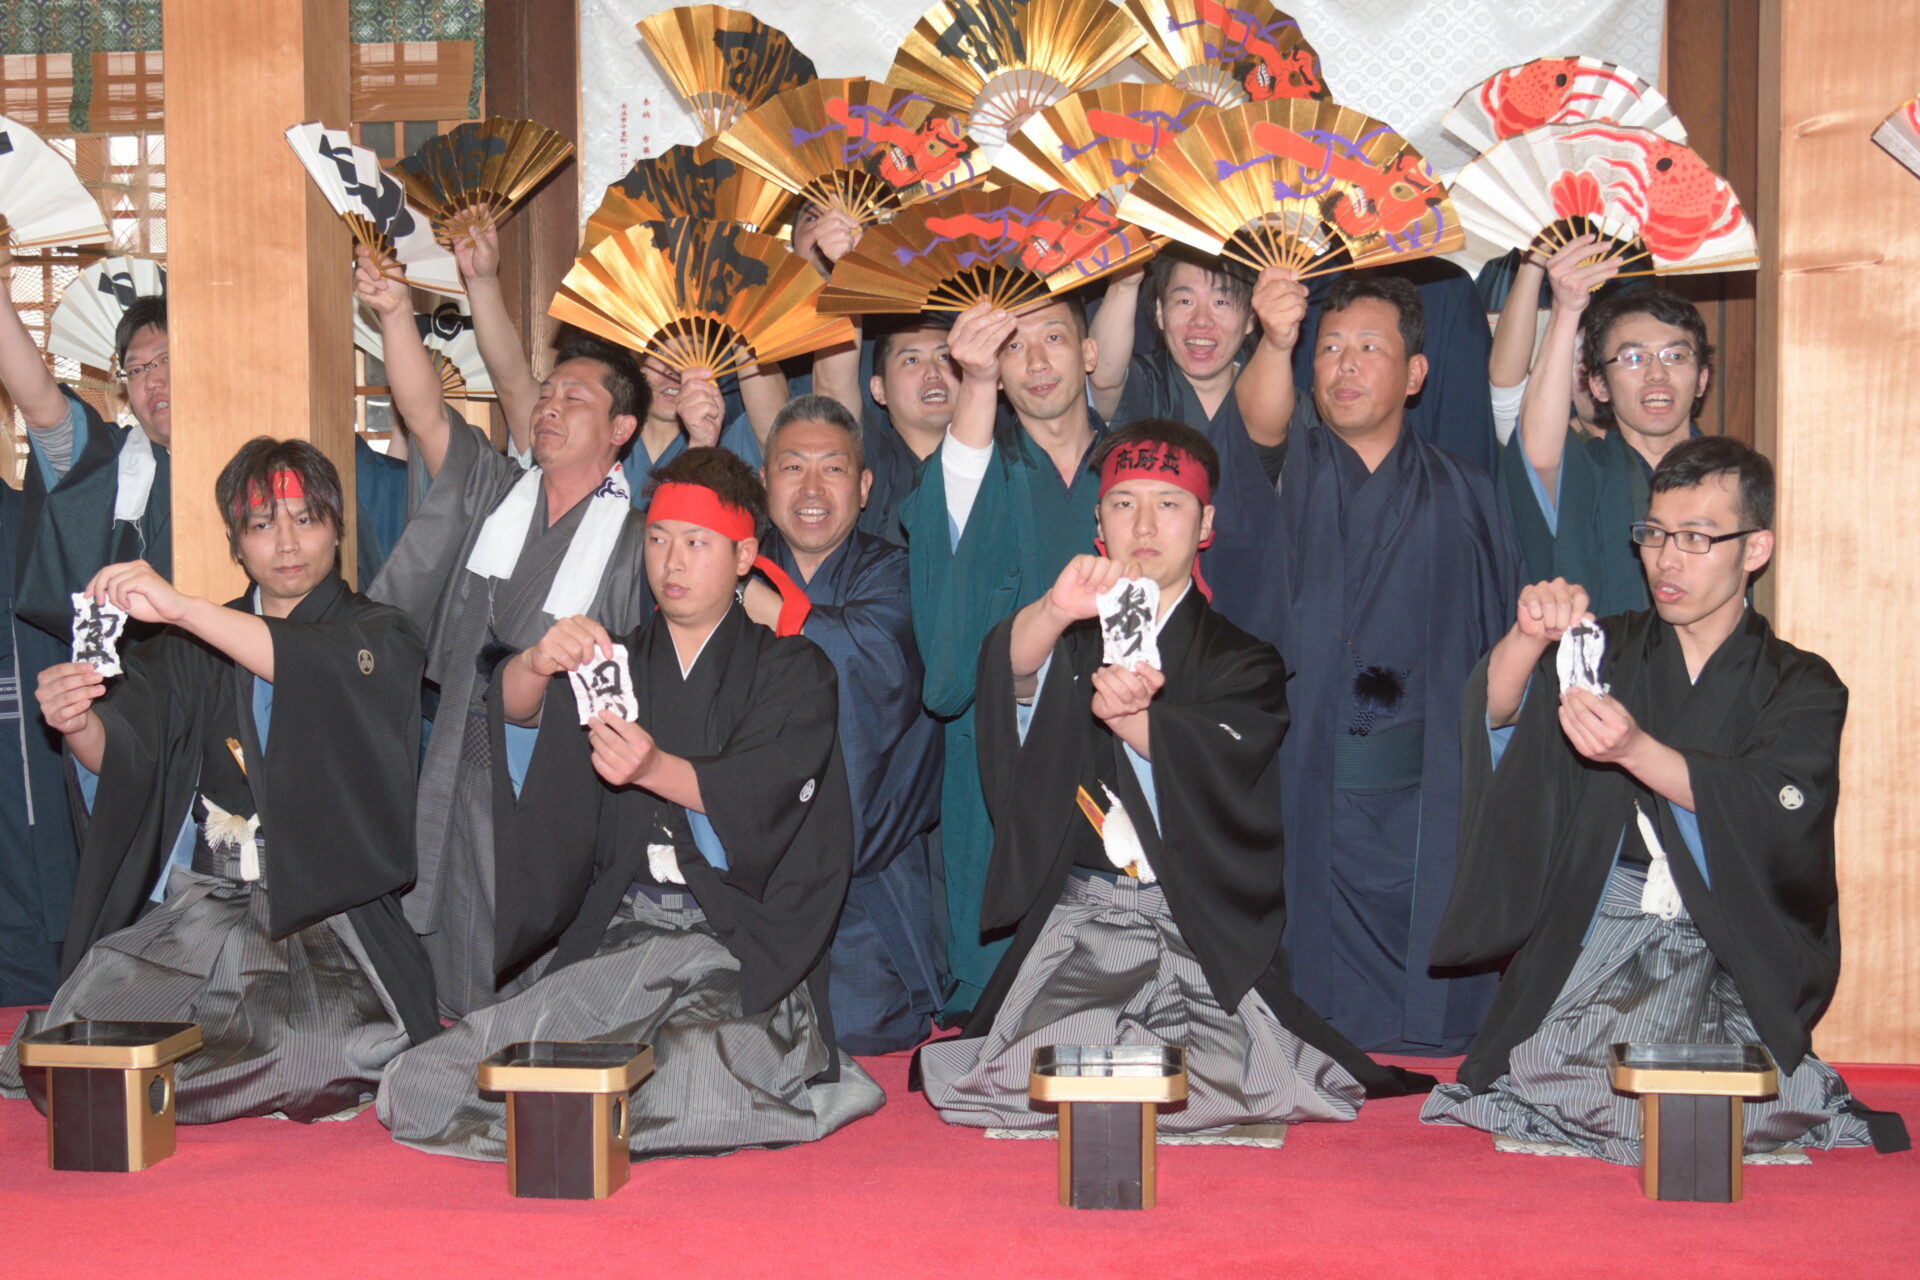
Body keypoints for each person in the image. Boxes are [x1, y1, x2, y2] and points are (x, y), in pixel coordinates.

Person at [920, 421, 1432, 1131]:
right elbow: (1008, 673)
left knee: (1228, 1080)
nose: (1145, 524)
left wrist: (1139, 726)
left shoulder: (1242, 658)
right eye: (1124, 503)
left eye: (1170, 504)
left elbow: (1231, 762)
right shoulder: (1070, 638)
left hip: (1195, 923)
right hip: (1088, 921)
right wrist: (1054, 610)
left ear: (1206, 523)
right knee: (1027, 1079)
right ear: (1098, 523)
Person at [378, 447, 885, 1161]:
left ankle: (725, 1079)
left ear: (744, 555)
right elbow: (525, 724)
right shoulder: (614, 661)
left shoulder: (792, 667)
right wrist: (533, 662)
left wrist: (656, 767)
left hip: (732, 944)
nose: (671, 562)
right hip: (624, 936)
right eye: (657, 539)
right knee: (434, 1076)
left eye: (696, 543)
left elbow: (766, 790)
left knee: (693, 1074)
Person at [1424, 437, 1908, 1161]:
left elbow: (1777, 805)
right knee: (1544, 1075)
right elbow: (1498, 717)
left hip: (1730, 948)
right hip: (1607, 933)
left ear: (1755, 548)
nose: (1666, 560)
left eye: (1696, 538)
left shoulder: (1801, 683)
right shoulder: (1606, 649)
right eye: (1653, 535)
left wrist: (1635, 752)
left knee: (1742, 1097)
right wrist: (1527, 642)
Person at [0, 439, 436, 1122]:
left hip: (329, 921)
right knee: (80, 1033)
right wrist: (76, 720)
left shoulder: (380, 634)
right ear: (236, 543)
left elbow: (305, 665)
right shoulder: (185, 648)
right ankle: (215, 1069)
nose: (287, 543)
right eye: (262, 525)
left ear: (337, 529)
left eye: (306, 519)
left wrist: (182, 608)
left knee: (310, 1053)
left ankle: (230, 1072)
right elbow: (130, 759)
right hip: (210, 908)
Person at [1210, 271, 1521, 1055]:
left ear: (1415, 374)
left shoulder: (1467, 492)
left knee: (1434, 1001)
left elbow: (1498, 656)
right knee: (1299, 1014)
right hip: (1304, 783)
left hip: (1426, 796)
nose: (1344, 366)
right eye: (1330, 348)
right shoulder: (1289, 475)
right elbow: (1255, 432)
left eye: (1370, 348)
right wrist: (1276, 340)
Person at [358, 249, 653, 1015]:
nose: (549, 406)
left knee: (538, 931)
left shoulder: (637, 542)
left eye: (575, 398)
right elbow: (427, 415)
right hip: (461, 745)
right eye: (544, 394)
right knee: (447, 913)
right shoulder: (499, 491)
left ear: (621, 428)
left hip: (552, 774)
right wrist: (394, 314)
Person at [900, 294, 1107, 1020]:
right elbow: (950, 658)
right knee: (1005, 997)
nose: (1039, 361)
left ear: (1090, 354)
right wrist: (978, 384)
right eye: (1015, 346)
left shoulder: (1136, 467)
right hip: (1002, 758)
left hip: (1118, 742)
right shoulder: (977, 469)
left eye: (1055, 338)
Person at [753, 396, 943, 1052]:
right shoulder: (725, 568)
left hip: (863, 873)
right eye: (792, 468)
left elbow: (871, 652)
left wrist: (765, 608)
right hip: (746, 877)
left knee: (857, 1029)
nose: (810, 489)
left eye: (832, 470)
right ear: (763, 480)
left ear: (864, 488)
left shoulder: (896, 573)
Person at [1504, 238, 1713, 617]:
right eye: (1633, 357)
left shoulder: (1729, 477)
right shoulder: (1589, 472)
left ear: (1701, 378)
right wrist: (1567, 310)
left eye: (1675, 355)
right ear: (1598, 385)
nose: (1656, 374)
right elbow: (1538, 452)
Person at [1087, 249, 1256, 435]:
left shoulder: (1271, 392)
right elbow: (1104, 377)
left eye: (1221, 302)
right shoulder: (1148, 384)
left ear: (1250, 318)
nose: (1201, 320)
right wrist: (1124, 283)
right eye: (1185, 301)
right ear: (1160, 312)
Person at [860, 315, 956, 543]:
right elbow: (833, 381)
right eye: (911, 360)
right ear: (879, 389)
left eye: (944, 357)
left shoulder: (1003, 462)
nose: (933, 372)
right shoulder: (872, 465)